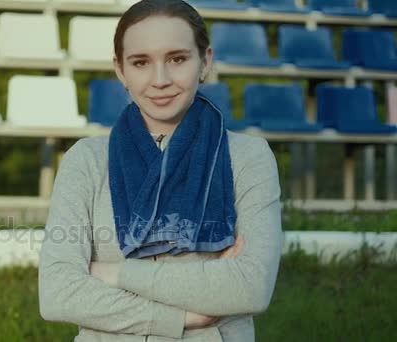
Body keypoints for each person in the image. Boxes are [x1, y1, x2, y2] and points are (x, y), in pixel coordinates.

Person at [38, 0, 284, 341]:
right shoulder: (87, 160)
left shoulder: (248, 157)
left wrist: (114, 273)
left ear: (205, 62)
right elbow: (57, 294)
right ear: (121, 70)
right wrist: (182, 317)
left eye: (177, 59)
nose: (160, 80)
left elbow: (250, 287)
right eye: (141, 62)